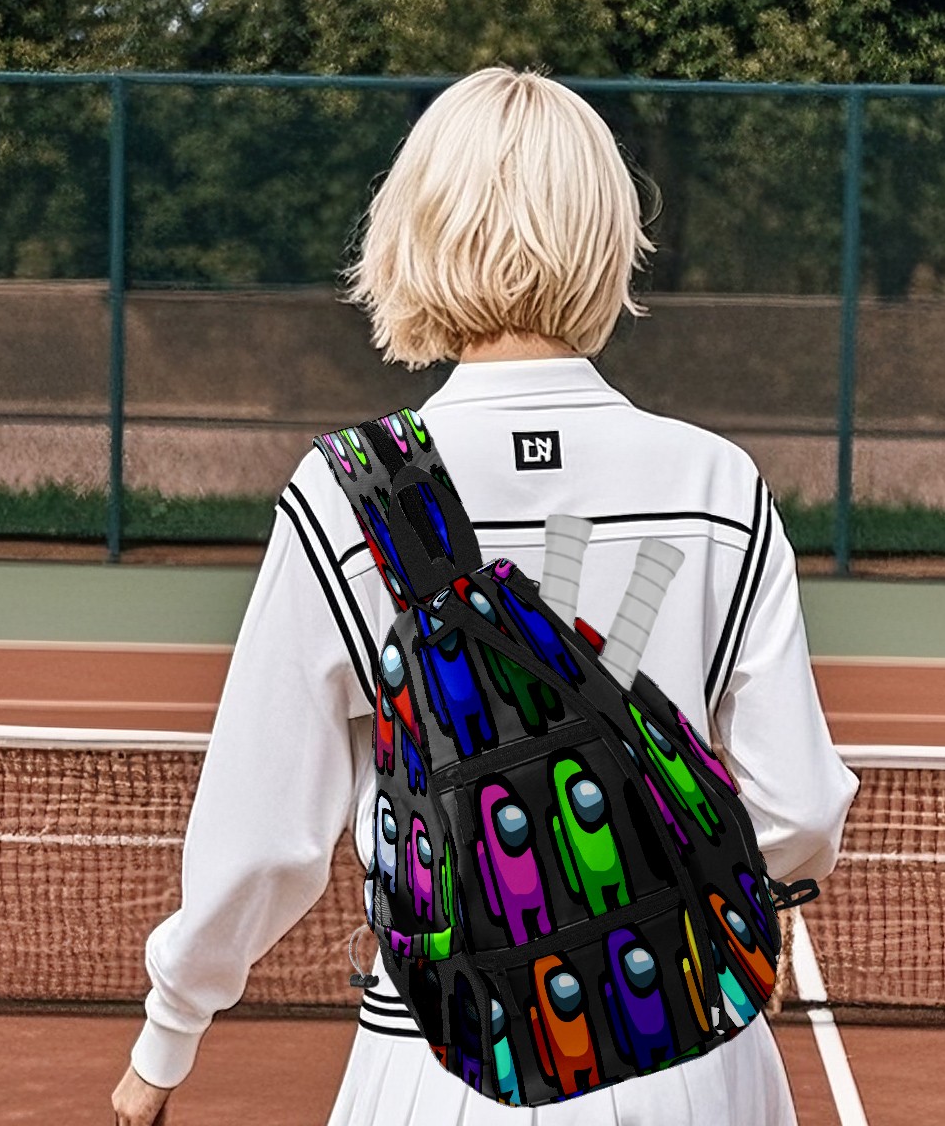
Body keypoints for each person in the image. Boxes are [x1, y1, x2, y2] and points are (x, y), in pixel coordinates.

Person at [113, 64, 859, 1126]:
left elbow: (264, 839)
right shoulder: (717, 483)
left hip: (441, 1056)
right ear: (609, 237)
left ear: (416, 232)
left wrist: (167, 1039)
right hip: (693, 1045)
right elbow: (802, 811)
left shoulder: (345, 494)